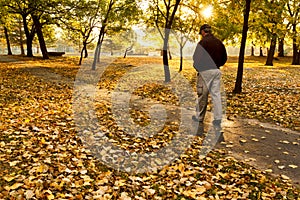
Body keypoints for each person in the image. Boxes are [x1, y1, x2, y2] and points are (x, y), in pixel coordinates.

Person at [192, 24, 227, 141]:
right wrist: (217, 65)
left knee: (202, 95)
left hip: (204, 71)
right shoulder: (219, 42)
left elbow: (196, 58)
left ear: (203, 32)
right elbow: (224, 58)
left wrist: (198, 68)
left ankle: (199, 117)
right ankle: (217, 119)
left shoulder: (202, 43)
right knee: (216, 96)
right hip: (216, 71)